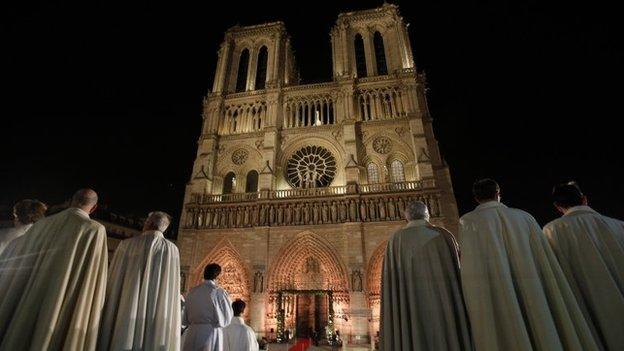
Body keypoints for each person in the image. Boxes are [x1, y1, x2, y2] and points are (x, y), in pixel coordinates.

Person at [459, 179, 600, 351]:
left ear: (476, 198)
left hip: (497, 292)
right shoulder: (525, 217)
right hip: (533, 289)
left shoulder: (468, 222)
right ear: (498, 193)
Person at [0, 188, 108, 351]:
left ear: (72, 200)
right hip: (61, 299)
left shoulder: (43, 223)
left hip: (31, 294)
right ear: (94, 208)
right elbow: (92, 277)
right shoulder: (94, 229)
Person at [380, 200, 472, 351]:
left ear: (406, 217)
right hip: (444, 308)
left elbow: (391, 283)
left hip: (408, 308)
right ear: (428, 214)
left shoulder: (396, 241)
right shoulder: (445, 236)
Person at [543, 181, 624, 350]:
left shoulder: (552, 231)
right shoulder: (619, 225)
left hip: (584, 304)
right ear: (585, 199)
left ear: (558, 206)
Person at [98, 211, 181, 351]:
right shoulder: (172, 249)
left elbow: (114, 279)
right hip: (156, 308)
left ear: (148, 223)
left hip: (126, 303)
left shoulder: (127, 244)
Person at [182, 263, 233, 351]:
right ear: (217, 276)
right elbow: (227, 317)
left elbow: (184, 319)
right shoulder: (219, 292)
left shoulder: (192, 292)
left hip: (192, 333)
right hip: (210, 334)